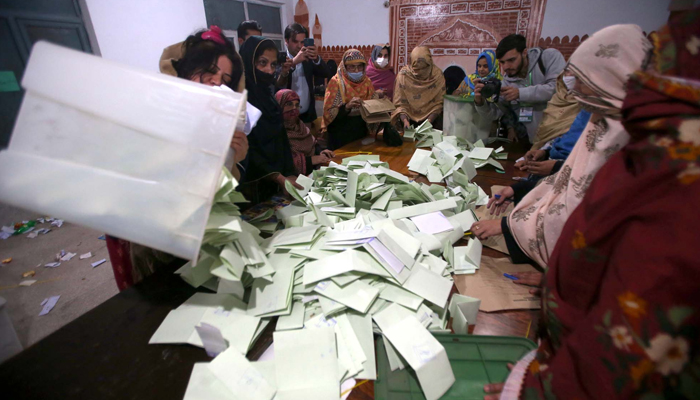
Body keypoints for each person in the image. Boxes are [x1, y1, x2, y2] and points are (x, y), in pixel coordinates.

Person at [483, 13, 700, 399]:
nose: (575, 89)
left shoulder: (651, 151)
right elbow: (568, 178)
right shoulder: (609, 120)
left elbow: (639, 317)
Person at [470, 24, 652, 269]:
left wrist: (506, 226)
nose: (573, 89)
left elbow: (587, 203)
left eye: (582, 78)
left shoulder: (642, 137)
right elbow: (571, 170)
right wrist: (525, 181)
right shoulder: (597, 115)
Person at [109, 26, 249, 291]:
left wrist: (231, 158)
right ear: (186, 69)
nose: (216, 81)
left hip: (196, 233)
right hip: (152, 235)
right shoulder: (156, 108)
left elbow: (215, 191)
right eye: (209, 70)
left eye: (225, 78)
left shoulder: (220, 124)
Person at [239, 36, 301, 203]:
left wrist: (289, 173)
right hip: (252, 187)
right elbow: (248, 149)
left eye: (273, 64)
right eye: (262, 63)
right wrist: (278, 177)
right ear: (248, 63)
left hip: (278, 183)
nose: (269, 70)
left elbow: (280, 138)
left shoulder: (268, 96)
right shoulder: (242, 102)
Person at [474, 34, 566, 144]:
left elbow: (558, 89)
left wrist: (520, 93)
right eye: (502, 62)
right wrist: (480, 102)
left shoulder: (548, 57)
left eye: (511, 60)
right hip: (535, 143)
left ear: (524, 53)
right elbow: (494, 114)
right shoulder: (506, 83)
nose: (506, 67)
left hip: (562, 140)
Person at [322, 49, 381, 150]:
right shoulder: (336, 82)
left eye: (359, 66)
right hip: (340, 136)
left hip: (361, 134)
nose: (357, 70)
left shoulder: (367, 82)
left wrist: (377, 100)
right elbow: (328, 113)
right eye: (352, 67)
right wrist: (347, 107)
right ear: (345, 67)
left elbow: (372, 107)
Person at [276, 23, 331, 124]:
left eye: (302, 42)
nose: (299, 46)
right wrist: (294, 62)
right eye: (295, 41)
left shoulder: (308, 58)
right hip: (285, 118)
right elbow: (278, 85)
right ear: (286, 41)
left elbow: (325, 73)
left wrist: (316, 58)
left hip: (307, 116)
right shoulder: (279, 59)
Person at [276, 89, 335, 175]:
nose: (294, 108)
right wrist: (310, 160)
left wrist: (321, 153)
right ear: (279, 106)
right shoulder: (275, 131)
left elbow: (312, 144)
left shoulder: (300, 125)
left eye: (297, 105)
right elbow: (280, 161)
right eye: (289, 104)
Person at [516, 109, 592, 176]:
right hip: (553, 166)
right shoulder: (586, 110)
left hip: (568, 175)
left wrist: (557, 166)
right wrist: (545, 153)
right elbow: (567, 142)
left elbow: (594, 165)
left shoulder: (597, 116)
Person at [391, 46, 446, 131]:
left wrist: (428, 122)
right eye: (417, 69)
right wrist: (405, 121)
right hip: (408, 122)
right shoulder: (404, 76)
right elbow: (400, 104)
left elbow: (439, 104)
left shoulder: (437, 76)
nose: (420, 72)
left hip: (432, 122)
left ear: (430, 64)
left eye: (424, 68)